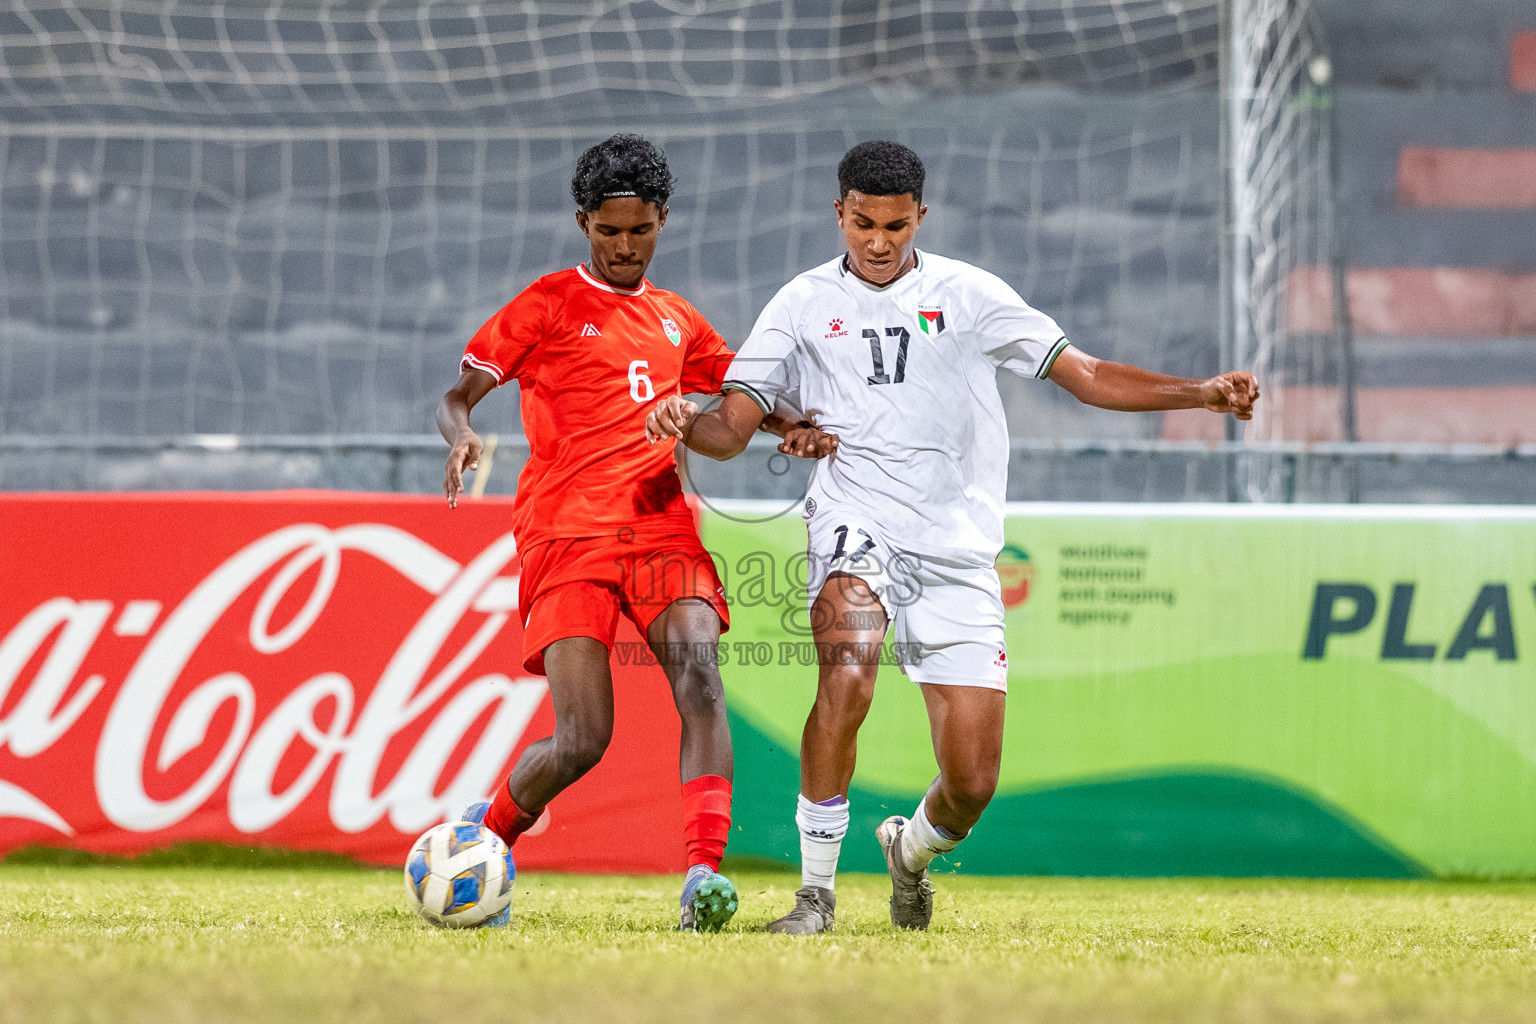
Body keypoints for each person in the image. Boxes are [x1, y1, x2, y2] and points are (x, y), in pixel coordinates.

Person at [645, 140, 1260, 934]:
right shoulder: (798, 304)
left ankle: (910, 853)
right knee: (848, 676)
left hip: (958, 549)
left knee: (971, 783)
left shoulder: (967, 295)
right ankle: (816, 896)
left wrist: (1201, 393)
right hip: (853, 523)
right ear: (839, 213)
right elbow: (732, 428)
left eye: (894, 226)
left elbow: (1088, 373)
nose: (876, 241)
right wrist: (684, 422)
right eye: (862, 222)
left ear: (920, 219)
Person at [437, 133, 827, 932]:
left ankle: (701, 878)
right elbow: (457, 393)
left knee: (702, 681)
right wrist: (462, 433)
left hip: (661, 530)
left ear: (662, 222)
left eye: (639, 231)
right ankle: (490, 839)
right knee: (584, 740)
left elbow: (743, 389)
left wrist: (794, 423)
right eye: (608, 231)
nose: (624, 246)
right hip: (565, 535)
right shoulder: (546, 304)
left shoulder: (678, 319)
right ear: (584, 223)